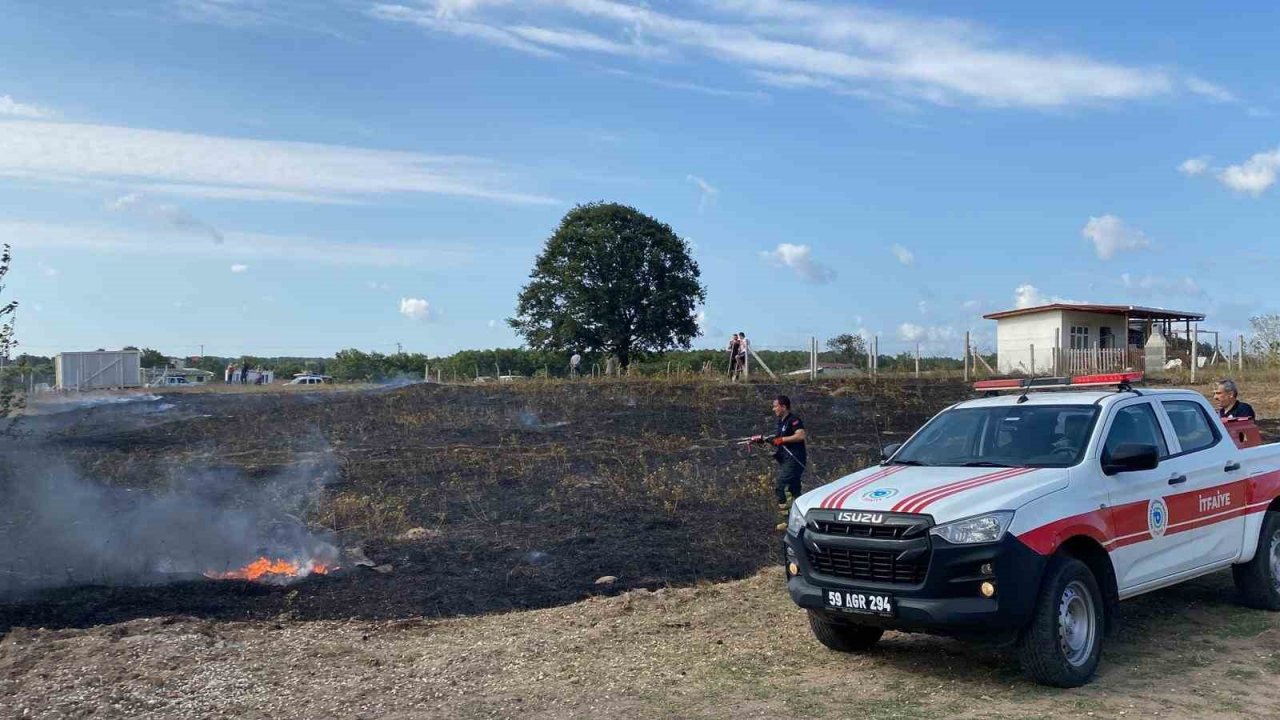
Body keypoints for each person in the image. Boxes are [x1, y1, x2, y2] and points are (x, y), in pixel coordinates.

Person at [752, 394, 807, 530]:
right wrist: (763, 440)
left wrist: (783, 440)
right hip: (785, 459)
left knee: (781, 485)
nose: (773, 409)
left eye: (775, 406)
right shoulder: (781, 422)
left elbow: (800, 436)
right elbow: (777, 440)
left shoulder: (794, 420)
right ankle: (801, 520)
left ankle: (788, 521)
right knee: (795, 490)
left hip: (795, 459)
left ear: (783, 406)